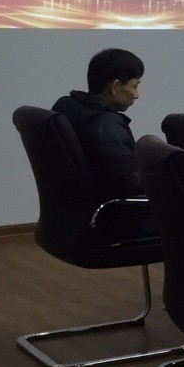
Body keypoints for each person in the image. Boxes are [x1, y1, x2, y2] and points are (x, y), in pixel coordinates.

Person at [52, 48, 155, 239]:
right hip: (119, 219)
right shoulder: (107, 127)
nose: (136, 95)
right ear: (115, 86)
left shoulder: (68, 107)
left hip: (77, 216)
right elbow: (128, 185)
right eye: (134, 86)